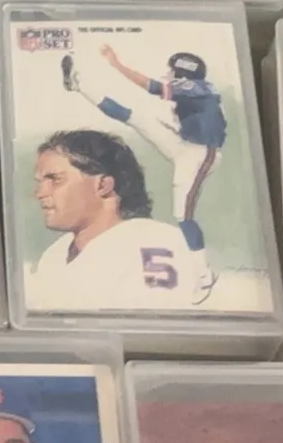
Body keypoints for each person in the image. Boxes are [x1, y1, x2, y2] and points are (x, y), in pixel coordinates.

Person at [60, 44, 226, 302]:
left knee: (183, 217)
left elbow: (151, 86)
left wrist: (116, 64)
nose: (169, 73)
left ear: (184, 72)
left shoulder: (195, 87)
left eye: (173, 70)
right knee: (134, 117)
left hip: (201, 155)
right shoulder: (197, 89)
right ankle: (79, 85)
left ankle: (204, 276)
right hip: (185, 146)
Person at [26, 129, 200, 311]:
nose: (40, 193)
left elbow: (155, 326)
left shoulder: (155, 245)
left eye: (55, 180)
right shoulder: (55, 254)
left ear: (103, 185)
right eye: (40, 182)